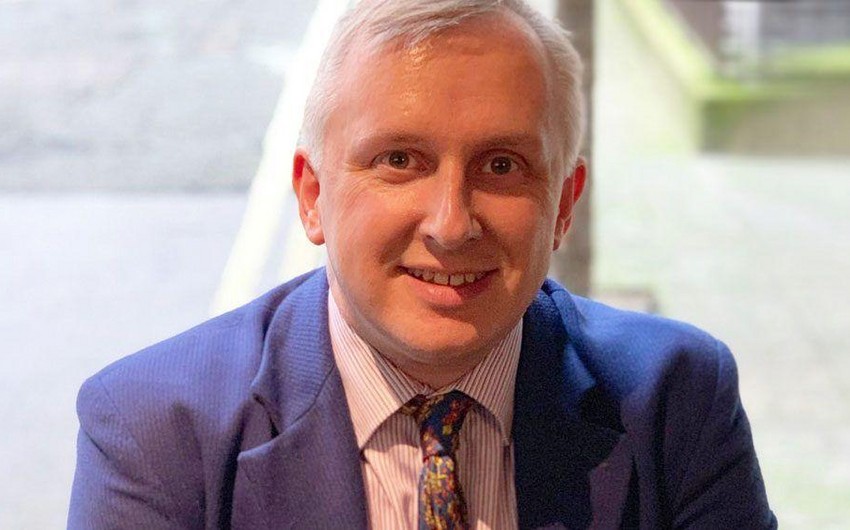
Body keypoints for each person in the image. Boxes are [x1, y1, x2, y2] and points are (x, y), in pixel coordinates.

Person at [68, 0, 776, 528]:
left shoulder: (676, 399)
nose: (450, 224)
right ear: (312, 197)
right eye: (400, 160)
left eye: (501, 165)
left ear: (564, 204)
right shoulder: (154, 433)